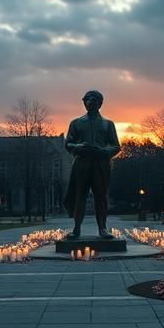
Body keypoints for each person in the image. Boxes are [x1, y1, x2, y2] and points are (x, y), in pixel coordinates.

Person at [63, 90, 120, 239]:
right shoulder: (75, 123)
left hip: (101, 164)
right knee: (79, 195)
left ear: (100, 104)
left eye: (95, 100)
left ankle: (103, 228)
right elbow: (68, 143)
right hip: (82, 163)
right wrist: (78, 147)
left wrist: (104, 151)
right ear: (84, 103)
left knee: (101, 196)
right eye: (88, 100)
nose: (91, 102)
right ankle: (76, 229)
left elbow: (116, 146)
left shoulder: (108, 124)